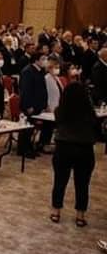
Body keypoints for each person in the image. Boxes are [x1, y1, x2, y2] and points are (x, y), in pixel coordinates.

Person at [50, 82, 100, 227]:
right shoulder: (89, 113)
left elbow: (58, 123)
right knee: (83, 184)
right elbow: (97, 131)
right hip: (84, 149)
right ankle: (80, 215)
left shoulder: (60, 111)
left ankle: (56, 212)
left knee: (59, 182)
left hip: (63, 147)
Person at [18, 52, 48, 158]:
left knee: (32, 128)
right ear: (36, 60)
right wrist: (28, 106)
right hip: (30, 105)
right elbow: (25, 90)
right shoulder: (28, 71)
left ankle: (30, 147)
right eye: (43, 59)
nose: (45, 61)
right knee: (27, 128)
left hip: (38, 104)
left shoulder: (40, 71)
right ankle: (23, 149)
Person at [39, 56, 64, 153]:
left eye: (58, 67)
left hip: (58, 105)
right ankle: (43, 144)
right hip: (49, 106)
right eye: (55, 67)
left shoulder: (57, 78)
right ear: (49, 68)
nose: (57, 69)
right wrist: (46, 105)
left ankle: (49, 143)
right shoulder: (46, 78)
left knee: (51, 126)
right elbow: (44, 93)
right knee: (47, 126)